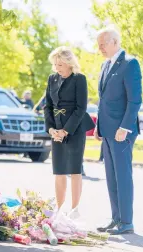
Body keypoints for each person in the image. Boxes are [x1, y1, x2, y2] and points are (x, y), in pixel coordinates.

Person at [95, 27, 142, 235]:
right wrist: (98, 127)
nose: (99, 48)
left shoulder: (130, 63)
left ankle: (127, 222)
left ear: (114, 42)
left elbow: (135, 100)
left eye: (102, 44)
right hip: (107, 131)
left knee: (122, 176)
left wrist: (125, 127)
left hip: (122, 131)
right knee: (111, 176)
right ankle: (116, 218)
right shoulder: (105, 65)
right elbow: (102, 100)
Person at [44, 46, 95, 219]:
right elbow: (48, 106)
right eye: (55, 64)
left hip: (75, 128)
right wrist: (51, 129)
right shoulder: (52, 79)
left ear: (69, 63)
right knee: (58, 170)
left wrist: (65, 131)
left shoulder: (79, 79)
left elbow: (81, 108)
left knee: (74, 170)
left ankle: (74, 209)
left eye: (60, 64)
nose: (57, 68)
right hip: (56, 129)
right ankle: (59, 210)